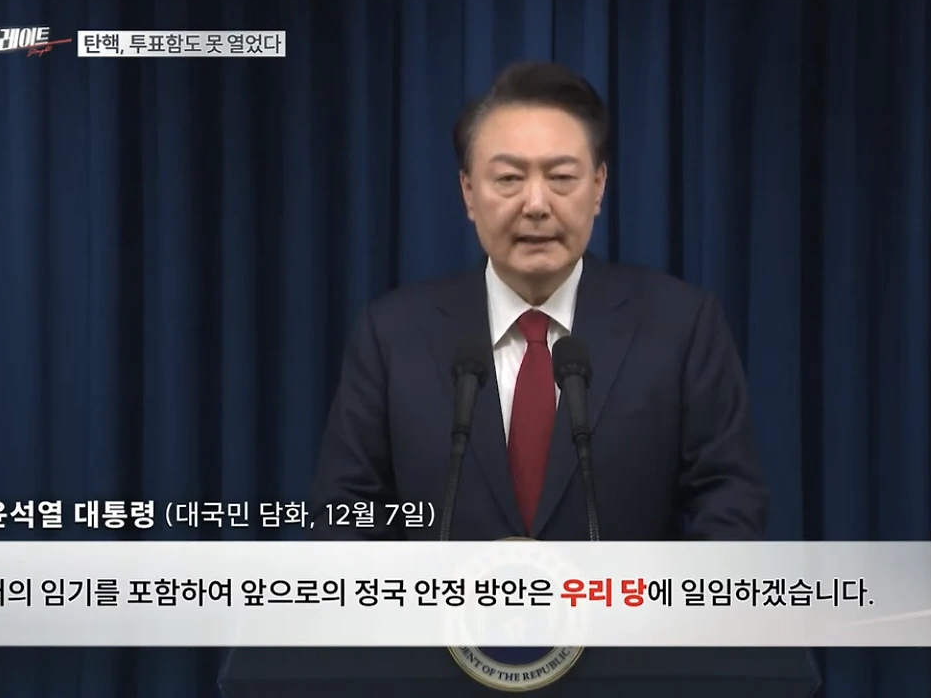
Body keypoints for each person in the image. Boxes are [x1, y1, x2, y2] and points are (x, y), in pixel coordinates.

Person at [308, 62, 767, 541]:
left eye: (561, 177)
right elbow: (340, 513)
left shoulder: (680, 325)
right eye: (508, 179)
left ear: (598, 187)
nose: (535, 204)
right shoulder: (391, 335)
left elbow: (731, 501)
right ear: (468, 193)